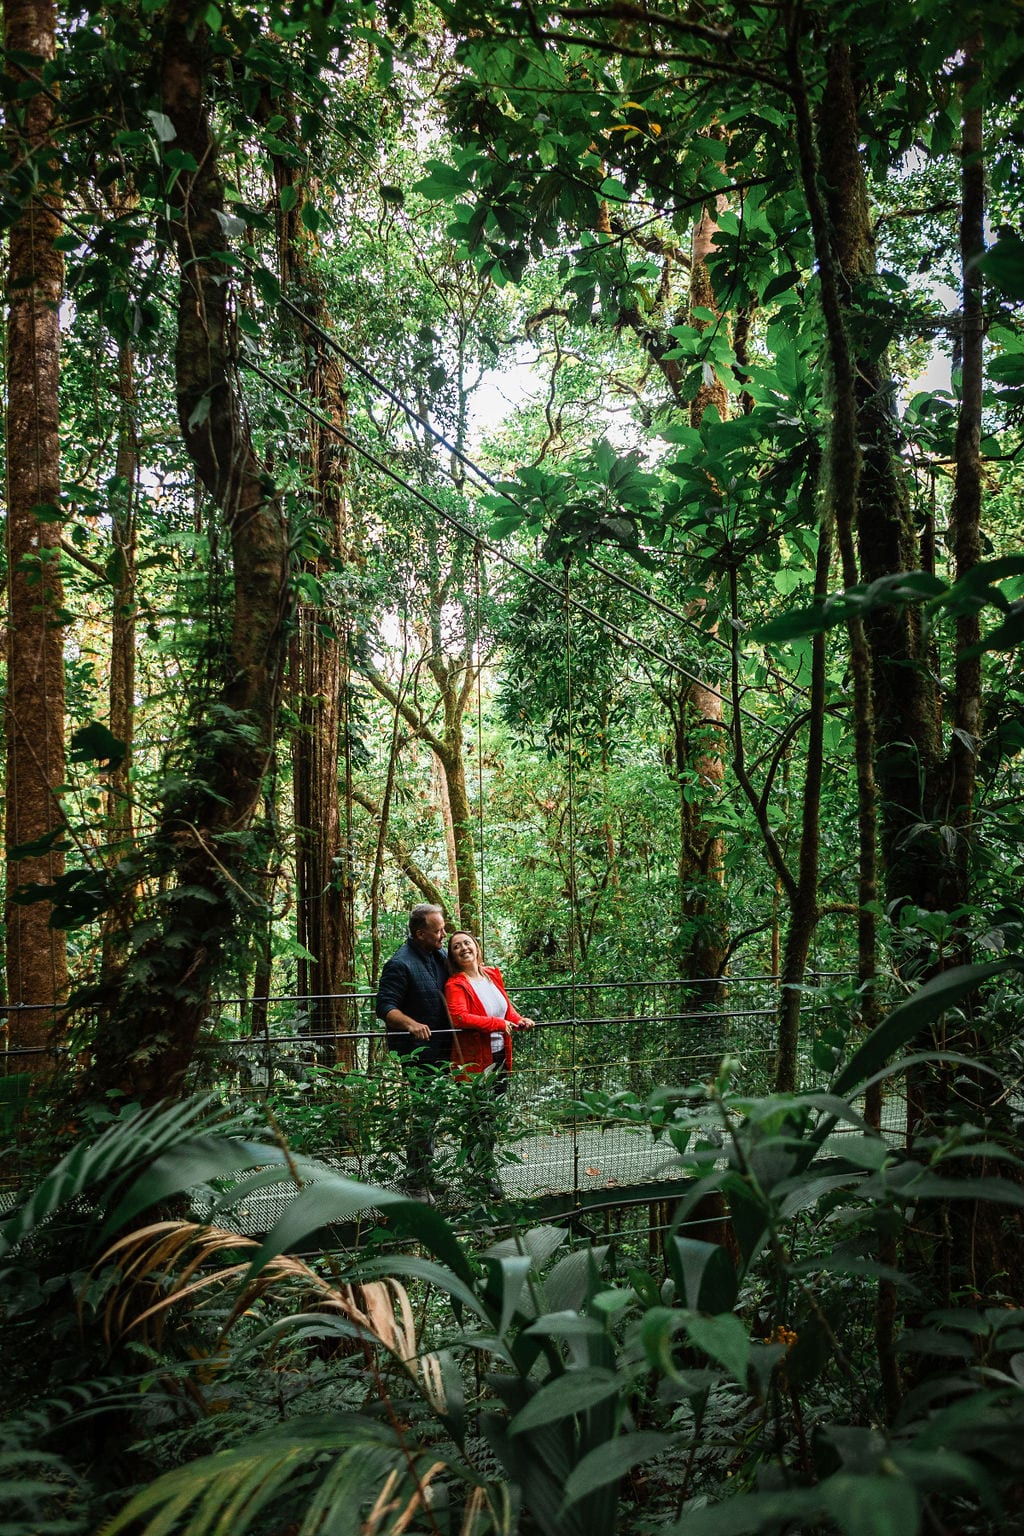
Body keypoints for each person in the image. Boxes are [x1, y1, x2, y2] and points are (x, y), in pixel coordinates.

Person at [444, 931, 535, 1199]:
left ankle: (476, 1168)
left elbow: (504, 1009)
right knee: (479, 1119)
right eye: (456, 946)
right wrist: (498, 1024)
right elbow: (460, 1017)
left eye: (467, 943)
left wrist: (519, 1020)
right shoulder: (455, 985)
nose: (463, 948)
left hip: (500, 1057)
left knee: (490, 1117)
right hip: (474, 1062)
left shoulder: (492, 975)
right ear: (453, 956)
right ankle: (482, 1172)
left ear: (476, 946)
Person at [375, 903, 451, 1197]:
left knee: (433, 1113)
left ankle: (425, 1176)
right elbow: (385, 1007)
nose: (444, 934)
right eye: (438, 930)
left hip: (443, 1048)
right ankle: (416, 1182)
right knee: (423, 1114)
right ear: (420, 934)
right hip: (418, 1053)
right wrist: (411, 1024)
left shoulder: (439, 955)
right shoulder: (400, 963)